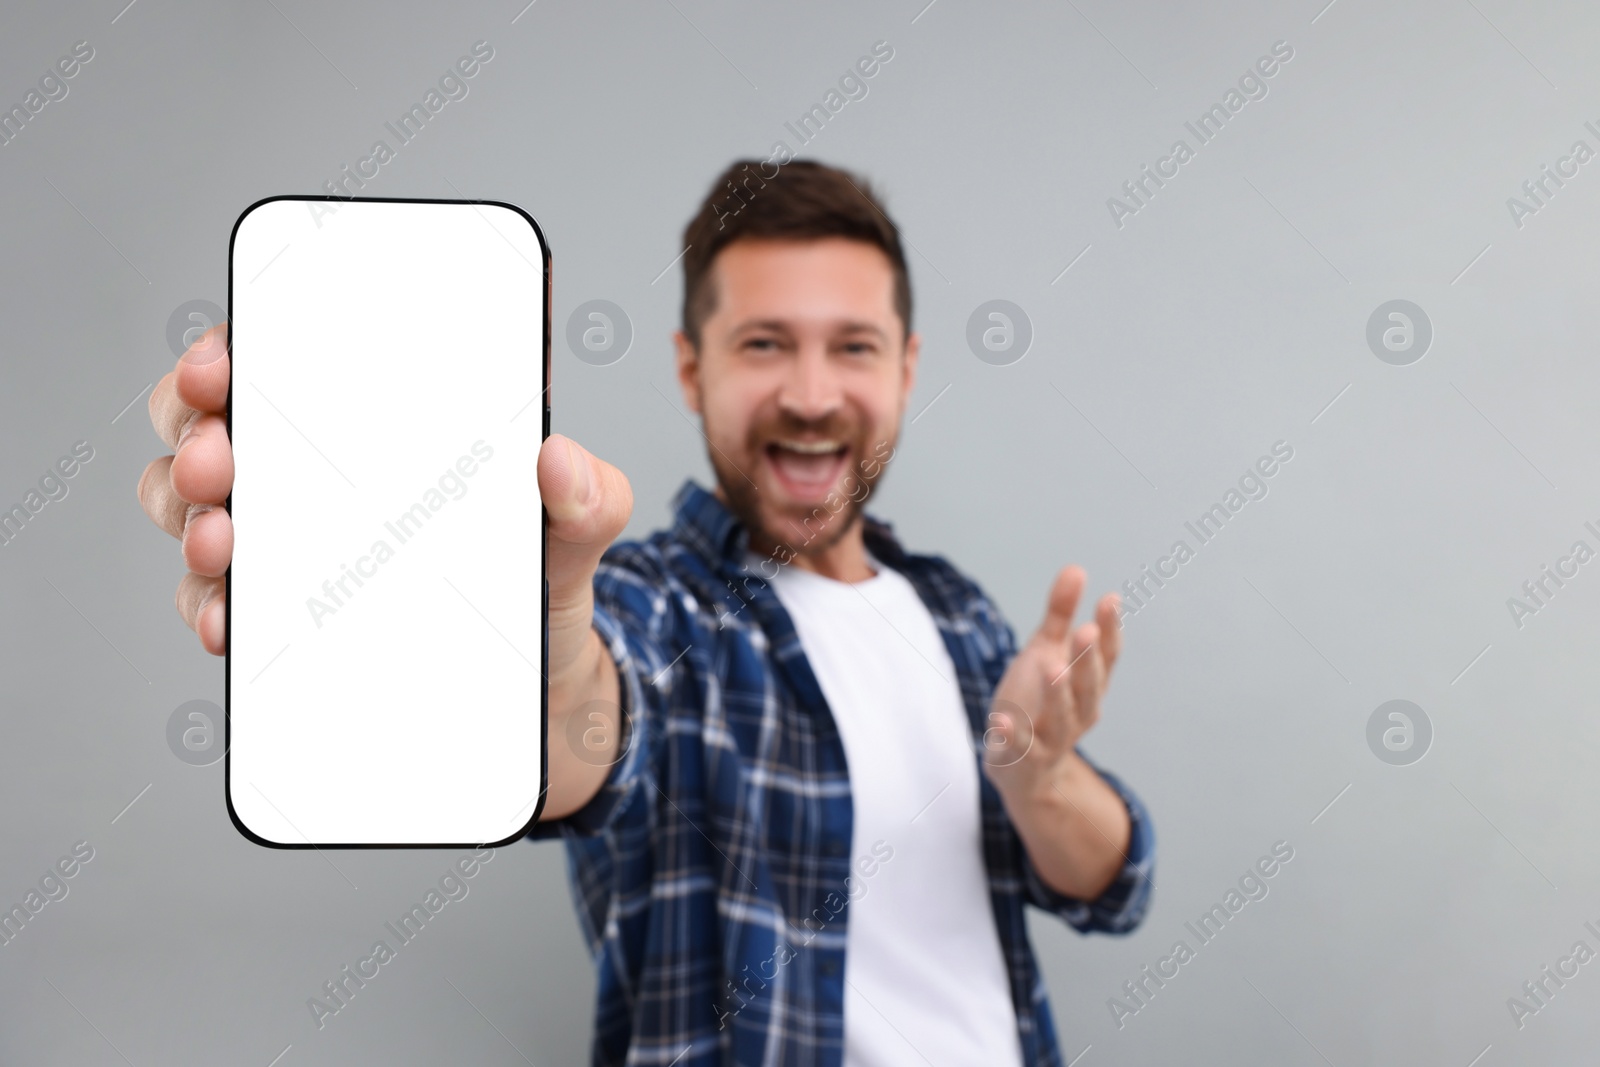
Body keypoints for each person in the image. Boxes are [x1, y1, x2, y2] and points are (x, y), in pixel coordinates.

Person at [138, 159, 1155, 1066]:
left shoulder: (956, 610)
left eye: (852, 345)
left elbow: (1114, 883)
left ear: (905, 369)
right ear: (689, 368)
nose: (810, 392)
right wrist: (520, 643)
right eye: (763, 343)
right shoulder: (652, 601)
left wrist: (1041, 774)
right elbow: (582, 723)